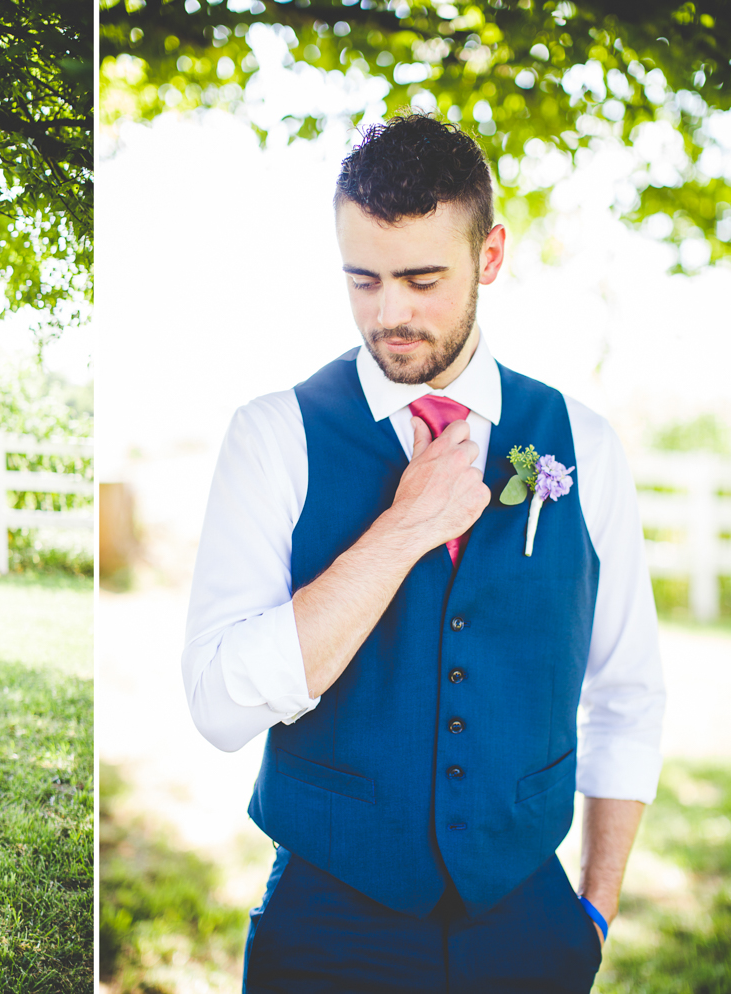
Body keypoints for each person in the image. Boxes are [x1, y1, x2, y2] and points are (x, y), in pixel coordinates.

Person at [182, 114, 665, 992]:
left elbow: (627, 693)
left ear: (490, 256)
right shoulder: (274, 436)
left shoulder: (583, 446)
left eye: (421, 278)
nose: (389, 314)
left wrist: (592, 912)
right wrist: (404, 529)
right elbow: (218, 705)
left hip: (531, 925)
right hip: (326, 929)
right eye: (361, 279)